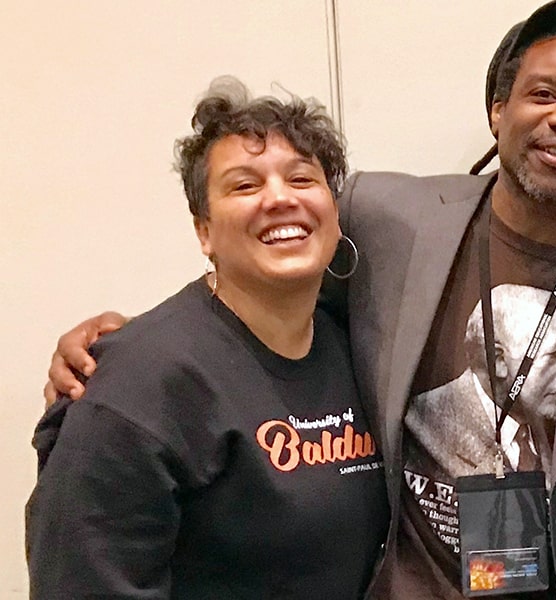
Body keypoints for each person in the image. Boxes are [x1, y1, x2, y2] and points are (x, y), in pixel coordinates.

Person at [42, 2, 556, 598]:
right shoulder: (381, 214)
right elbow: (264, 293)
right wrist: (126, 351)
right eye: (544, 93)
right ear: (499, 110)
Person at [27, 77, 387, 598]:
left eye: (302, 179)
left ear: (334, 213)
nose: (280, 198)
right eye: (245, 185)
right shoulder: (136, 386)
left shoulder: (361, 346)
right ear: (204, 231)